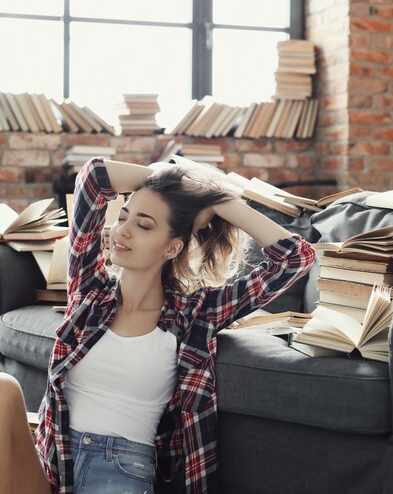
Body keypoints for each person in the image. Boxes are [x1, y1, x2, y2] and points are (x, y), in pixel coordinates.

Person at [0, 157, 315, 494]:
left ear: (173, 246)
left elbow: (295, 259)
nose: (123, 230)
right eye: (124, 217)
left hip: (118, 469)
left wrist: (217, 200)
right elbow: (92, 178)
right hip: (52, 463)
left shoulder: (195, 314)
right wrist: (183, 186)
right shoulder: (89, 291)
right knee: (4, 390)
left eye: (144, 225)